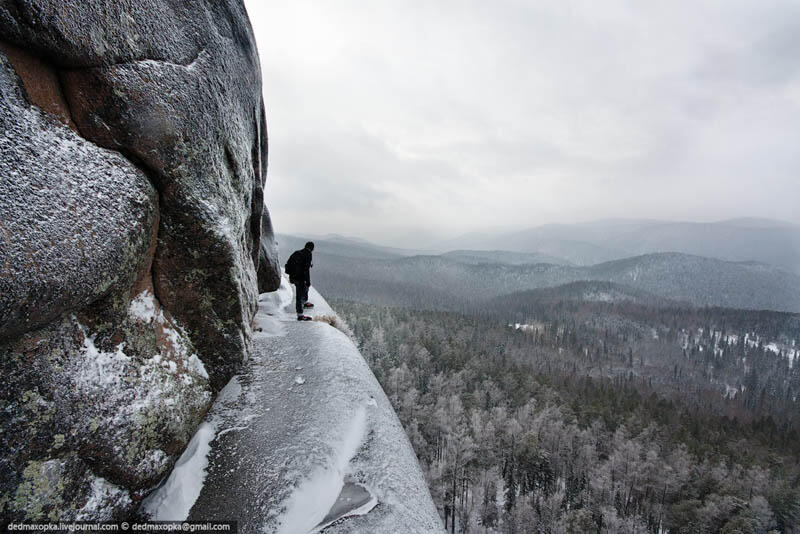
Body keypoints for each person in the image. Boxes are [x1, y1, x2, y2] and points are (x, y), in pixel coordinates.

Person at [285, 241, 315, 321]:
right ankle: (300, 315)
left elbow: (288, 264)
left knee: (303, 290)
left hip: (294, 276)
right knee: (300, 293)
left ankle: (304, 302)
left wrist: (292, 276)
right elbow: (306, 269)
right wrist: (307, 281)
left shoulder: (297, 253)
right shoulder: (308, 254)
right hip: (300, 278)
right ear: (311, 248)